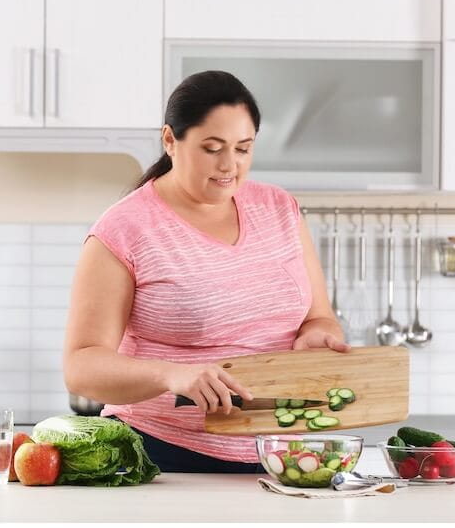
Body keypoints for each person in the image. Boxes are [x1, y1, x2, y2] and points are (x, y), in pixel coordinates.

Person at [63, 70, 350, 473]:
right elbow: (81, 367)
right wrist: (172, 376)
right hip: (162, 456)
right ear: (170, 140)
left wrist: (319, 335)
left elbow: (320, 318)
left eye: (243, 148)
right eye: (212, 148)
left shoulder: (280, 210)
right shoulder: (124, 229)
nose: (229, 165)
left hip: (280, 457)